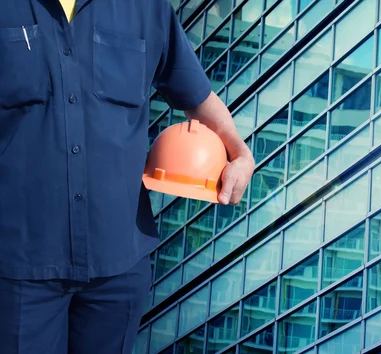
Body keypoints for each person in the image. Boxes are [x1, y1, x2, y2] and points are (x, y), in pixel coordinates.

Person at [0, 0, 254, 353]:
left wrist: (240, 152)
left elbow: (196, 95)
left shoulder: (146, 7)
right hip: (17, 266)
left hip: (119, 264)